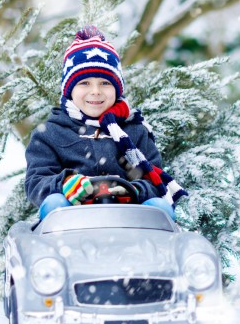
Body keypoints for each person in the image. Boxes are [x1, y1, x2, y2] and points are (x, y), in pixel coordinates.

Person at [24, 25, 186, 220]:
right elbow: (36, 182)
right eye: (84, 83)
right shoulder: (50, 133)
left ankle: (161, 247)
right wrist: (65, 183)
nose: (95, 91)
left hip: (128, 221)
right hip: (73, 225)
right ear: (69, 90)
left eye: (105, 83)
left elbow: (153, 180)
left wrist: (134, 190)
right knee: (54, 204)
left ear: (117, 89)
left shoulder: (133, 131)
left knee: (159, 208)